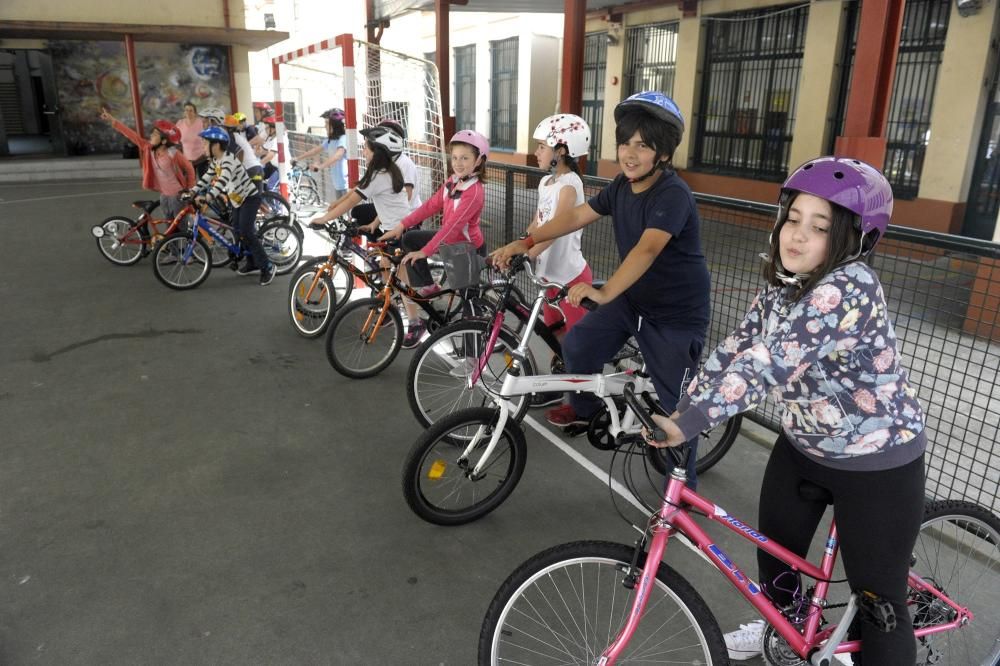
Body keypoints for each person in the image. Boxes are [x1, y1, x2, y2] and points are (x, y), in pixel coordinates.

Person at [647, 157, 926, 665]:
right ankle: (787, 630)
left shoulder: (849, 287)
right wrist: (684, 407)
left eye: (819, 227)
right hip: (804, 445)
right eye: (792, 218)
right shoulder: (784, 283)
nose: (796, 236)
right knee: (776, 552)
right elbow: (738, 348)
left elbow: (770, 363)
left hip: (877, 460)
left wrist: (689, 422)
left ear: (854, 239)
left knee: (879, 604)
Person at [493, 91, 710, 484]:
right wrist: (525, 242)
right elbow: (577, 215)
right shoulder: (621, 187)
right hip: (633, 300)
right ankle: (590, 412)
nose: (630, 153)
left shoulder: (672, 194)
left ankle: (682, 495)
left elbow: (647, 249)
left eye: (643, 145)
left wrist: (605, 292)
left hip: (675, 315)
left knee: (675, 411)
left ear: (662, 153)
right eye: (625, 143)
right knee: (578, 345)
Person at [380, 130, 489, 349]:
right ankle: (428, 286)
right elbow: (430, 205)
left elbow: (452, 227)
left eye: (465, 158)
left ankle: (473, 361)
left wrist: (426, 252)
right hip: (449, 242)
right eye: (455, 157)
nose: (458, 163)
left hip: (466, 250)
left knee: (470, 307)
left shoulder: (474, 192)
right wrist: (402, 225)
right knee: (410, 239)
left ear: (478, 161)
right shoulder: (453, 181)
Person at [524, 113, 595, 407]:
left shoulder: (570, 183)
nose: (537, 152)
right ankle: (560, 390)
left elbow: (558, 227)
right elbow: (538, 224)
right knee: (556, 338)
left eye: (542, 146)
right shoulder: (546, 184)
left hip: (570, 279)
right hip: (548, 278)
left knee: (579, 348)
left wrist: (528, 252)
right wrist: (515, 246)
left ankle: (582, 406)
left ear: (561, 151)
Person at [194, 125, 276, 285]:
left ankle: (267, 266)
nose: (203, 147)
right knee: (238, 230)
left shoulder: (228, 160)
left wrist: (208, 196)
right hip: (236, 199)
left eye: (205, 143)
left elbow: (222, 180)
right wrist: (192, 191)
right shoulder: (217, 160)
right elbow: (207, 178)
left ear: (216, 145)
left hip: (249, 197)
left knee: (246, 231)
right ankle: (252, 263)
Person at [100, 108, 195, 221]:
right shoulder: (148, 149)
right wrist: (113, 120)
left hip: (178, 196)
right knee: (169, 224)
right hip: (164, 195)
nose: (151, 136)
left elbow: (189, 168)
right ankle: (172, 239)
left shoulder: (173, 153)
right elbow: (133, 136)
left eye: (155, 135)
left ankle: (184, 239)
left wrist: (189, 189)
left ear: (164, 141)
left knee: (181, 226)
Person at [295, 108, 348, 202]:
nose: (325, 126)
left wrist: (320, 166)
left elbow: (338, 156)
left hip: (346, 185)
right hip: (337, 184)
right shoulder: (330, 140)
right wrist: (297, 158)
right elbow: (315, 150)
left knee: (348, 213)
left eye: (327, 123)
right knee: (341, 214)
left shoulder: (343, 139)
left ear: (335, 125)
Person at [222, 114, 264, 191]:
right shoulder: (237, 136)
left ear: (227, 129)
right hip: (257, 167)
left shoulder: (231, 137)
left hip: (249, 169)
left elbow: (239, 152)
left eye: (222, 128)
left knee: (234, 191)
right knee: (257, 199)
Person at [176, 101, 208, 178]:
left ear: (195, 113)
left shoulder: (201, 122)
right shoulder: (180, 123)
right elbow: (175, 138)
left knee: (203, 181)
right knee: (190, 182)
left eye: (191, 110)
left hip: (201, 158)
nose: (188, 112)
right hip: (187, 159)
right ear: (184, 112)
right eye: (186, 110)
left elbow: (208, 137)